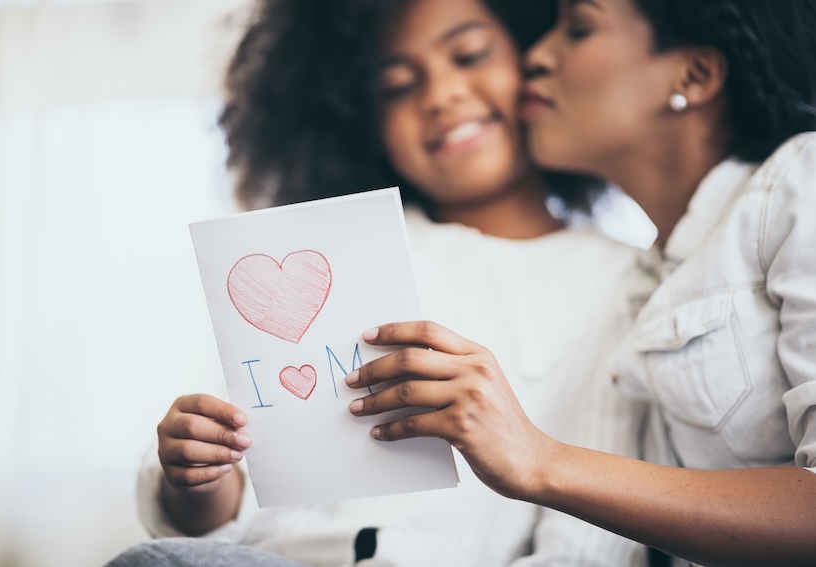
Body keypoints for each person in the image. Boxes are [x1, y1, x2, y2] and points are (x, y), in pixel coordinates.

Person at [109, 0, 649, 565]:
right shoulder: (327, 251)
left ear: (540, 59)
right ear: (360, 119)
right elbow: (232, 493)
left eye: (470, 55)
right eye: (396, 86)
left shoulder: (621, 284)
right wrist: (201, 476)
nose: (440, 95)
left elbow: (588, 542)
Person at [342, 1, 816, 566]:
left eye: (578, 29)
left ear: (693, 74)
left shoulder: (799, 181)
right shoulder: (651, 278)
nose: (537, 55)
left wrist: (541, 461)